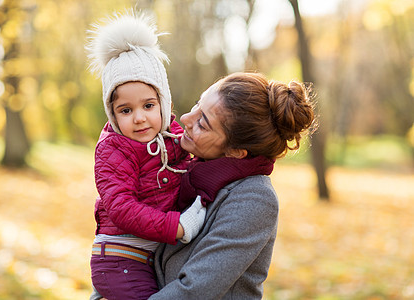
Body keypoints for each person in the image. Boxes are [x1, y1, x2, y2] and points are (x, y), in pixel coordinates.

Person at [149, 72, 316, 299]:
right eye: (198, 104)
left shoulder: (254, 199)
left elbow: (195, 290)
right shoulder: (185, 170)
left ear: (235, 152)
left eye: (202, 123)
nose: (186, 118)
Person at [86, 12, 206, 300]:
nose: (138, 118)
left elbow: (198, 161)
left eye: (148, 106)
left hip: (148, 257)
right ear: (112, 114)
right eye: (125, 110)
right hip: (119, 259)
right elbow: (121, 208)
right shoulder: (114, 149)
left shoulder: (175, 137)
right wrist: (177, 227)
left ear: (165, 103)